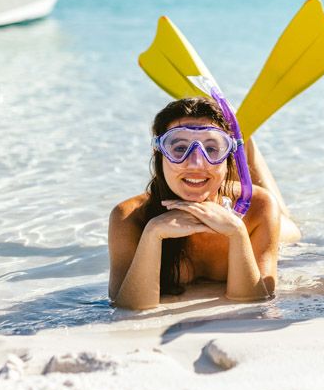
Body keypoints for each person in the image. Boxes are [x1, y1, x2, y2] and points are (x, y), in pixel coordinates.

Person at [108, 97, 280, 310]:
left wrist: (237, 232)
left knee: (290, 228)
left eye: (212, 148)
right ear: (159, 154)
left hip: (251, 205)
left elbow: (255, 303)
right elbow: (127, 308)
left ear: (228, 159)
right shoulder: (130, 217)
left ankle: (247, 144)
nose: (196, 164)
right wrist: (153, 233)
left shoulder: (259, 206)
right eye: (180, 148)